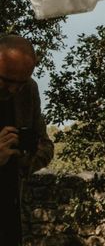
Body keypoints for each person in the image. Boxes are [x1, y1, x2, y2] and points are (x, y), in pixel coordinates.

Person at [0, 35, 54, 246]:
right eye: (7, 81)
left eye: (20, 83)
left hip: (11, 212)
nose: (13, 89)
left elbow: (46, 147)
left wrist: (25, 157)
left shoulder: (28, 91)